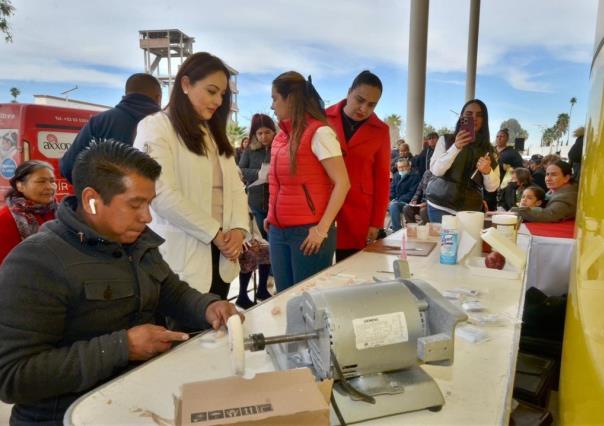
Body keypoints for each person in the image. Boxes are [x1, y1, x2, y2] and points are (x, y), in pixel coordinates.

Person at [0, 141, 241, 425]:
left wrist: (208, 306)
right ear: (91, 200)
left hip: (135, 400)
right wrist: (122, 347)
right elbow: (12, 376)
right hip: (68, 417)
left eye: (149, 204)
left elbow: (169, 290)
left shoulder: (136, 240)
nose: (147, 217)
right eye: (135, 204)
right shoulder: (36, 261)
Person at [134, 52, 249, 300]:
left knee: (216, 331)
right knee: (187, 334)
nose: (218, 100)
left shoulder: (214, 132)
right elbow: (161, 194)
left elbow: (235, 187)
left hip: (223, 255)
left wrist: (239, 229)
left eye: (222, 94)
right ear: (185, 84)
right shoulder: (155, 126)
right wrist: (215, 234)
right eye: (211, 91)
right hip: (182, 257)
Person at [267, 71, 350, 292]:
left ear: (290, 99)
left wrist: (322, 230)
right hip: (278, 231)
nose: (272, 106)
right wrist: (270, 215)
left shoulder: (320, 133)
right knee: (283, 299)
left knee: (308, 303)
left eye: (275, 98)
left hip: (309, 232)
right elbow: (276, 183)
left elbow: (343, 183)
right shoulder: (280, 137)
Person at [326, 70, 390, 261]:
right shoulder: (322, 118)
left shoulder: (381, 131)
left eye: (372, 104)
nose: (364, 108)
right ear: (348, 92)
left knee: (350, 277)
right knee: (317, 279)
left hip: (358, 213)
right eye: (359, 99)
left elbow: (382, 179)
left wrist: (376, 222)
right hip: (323, 209)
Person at [60, 73, 162, 183]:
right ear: (158, 97)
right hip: (160, 198)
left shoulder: (99, 122)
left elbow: (68, 167)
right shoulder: (170, 125)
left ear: (126, 94)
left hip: (108, 197)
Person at [425, 99, 500, 222]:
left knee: (467, 242)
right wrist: (455, 147)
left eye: (479, 115)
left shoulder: (489, 151)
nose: (474, 118)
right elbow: (436, 170)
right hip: (439, 205)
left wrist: (487, 171)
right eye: (469, 114)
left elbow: (492, 188)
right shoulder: (446, 139)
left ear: (485, 120)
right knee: (444, 242)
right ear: (461, 117)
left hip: (470, 210)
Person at [236, 113, 276, 308]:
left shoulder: (278, 147)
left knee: (268, 250)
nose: (263, 137)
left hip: (274, 207)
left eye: (267, 132)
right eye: (259, 133)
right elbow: (240, 170)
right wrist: (259, 173)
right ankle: (242, 293)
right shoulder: (250, 151)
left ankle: (262, 288)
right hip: (254, 206)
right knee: (251, 250)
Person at [0, 160, 57, 264]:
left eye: (52, 181)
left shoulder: (61, 213)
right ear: (20, 186)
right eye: (41, 181)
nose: (50, 187)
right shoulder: (5, 219)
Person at [512, 160, 577, 222]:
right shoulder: (554, 190)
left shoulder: (568, 196)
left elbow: (548, 214)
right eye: (547, 174)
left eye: (553, 175)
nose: (548, 179)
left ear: (566, 178)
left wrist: (514, 211)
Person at [486, 128, 524, 210]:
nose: (499, 138)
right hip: (489, 182)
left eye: (502, 136)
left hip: (505, 186)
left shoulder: (513, 153)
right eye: (497, 136)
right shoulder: (490, 151)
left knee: (502, 207)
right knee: (488, 205)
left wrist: (510, 168)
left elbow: (520, 169)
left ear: (506, 139)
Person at [388, 158, 421, 231]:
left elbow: (412, 193)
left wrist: (397, 200)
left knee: (393, 205)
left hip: (408, 202)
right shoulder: (396, 175)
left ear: (409, 166)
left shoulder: (415, 176)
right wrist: (391, 198)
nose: (401, 169)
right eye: (399, 167)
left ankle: (397, 230)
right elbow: (392, 189)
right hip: (397, 200)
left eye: (404, 166)